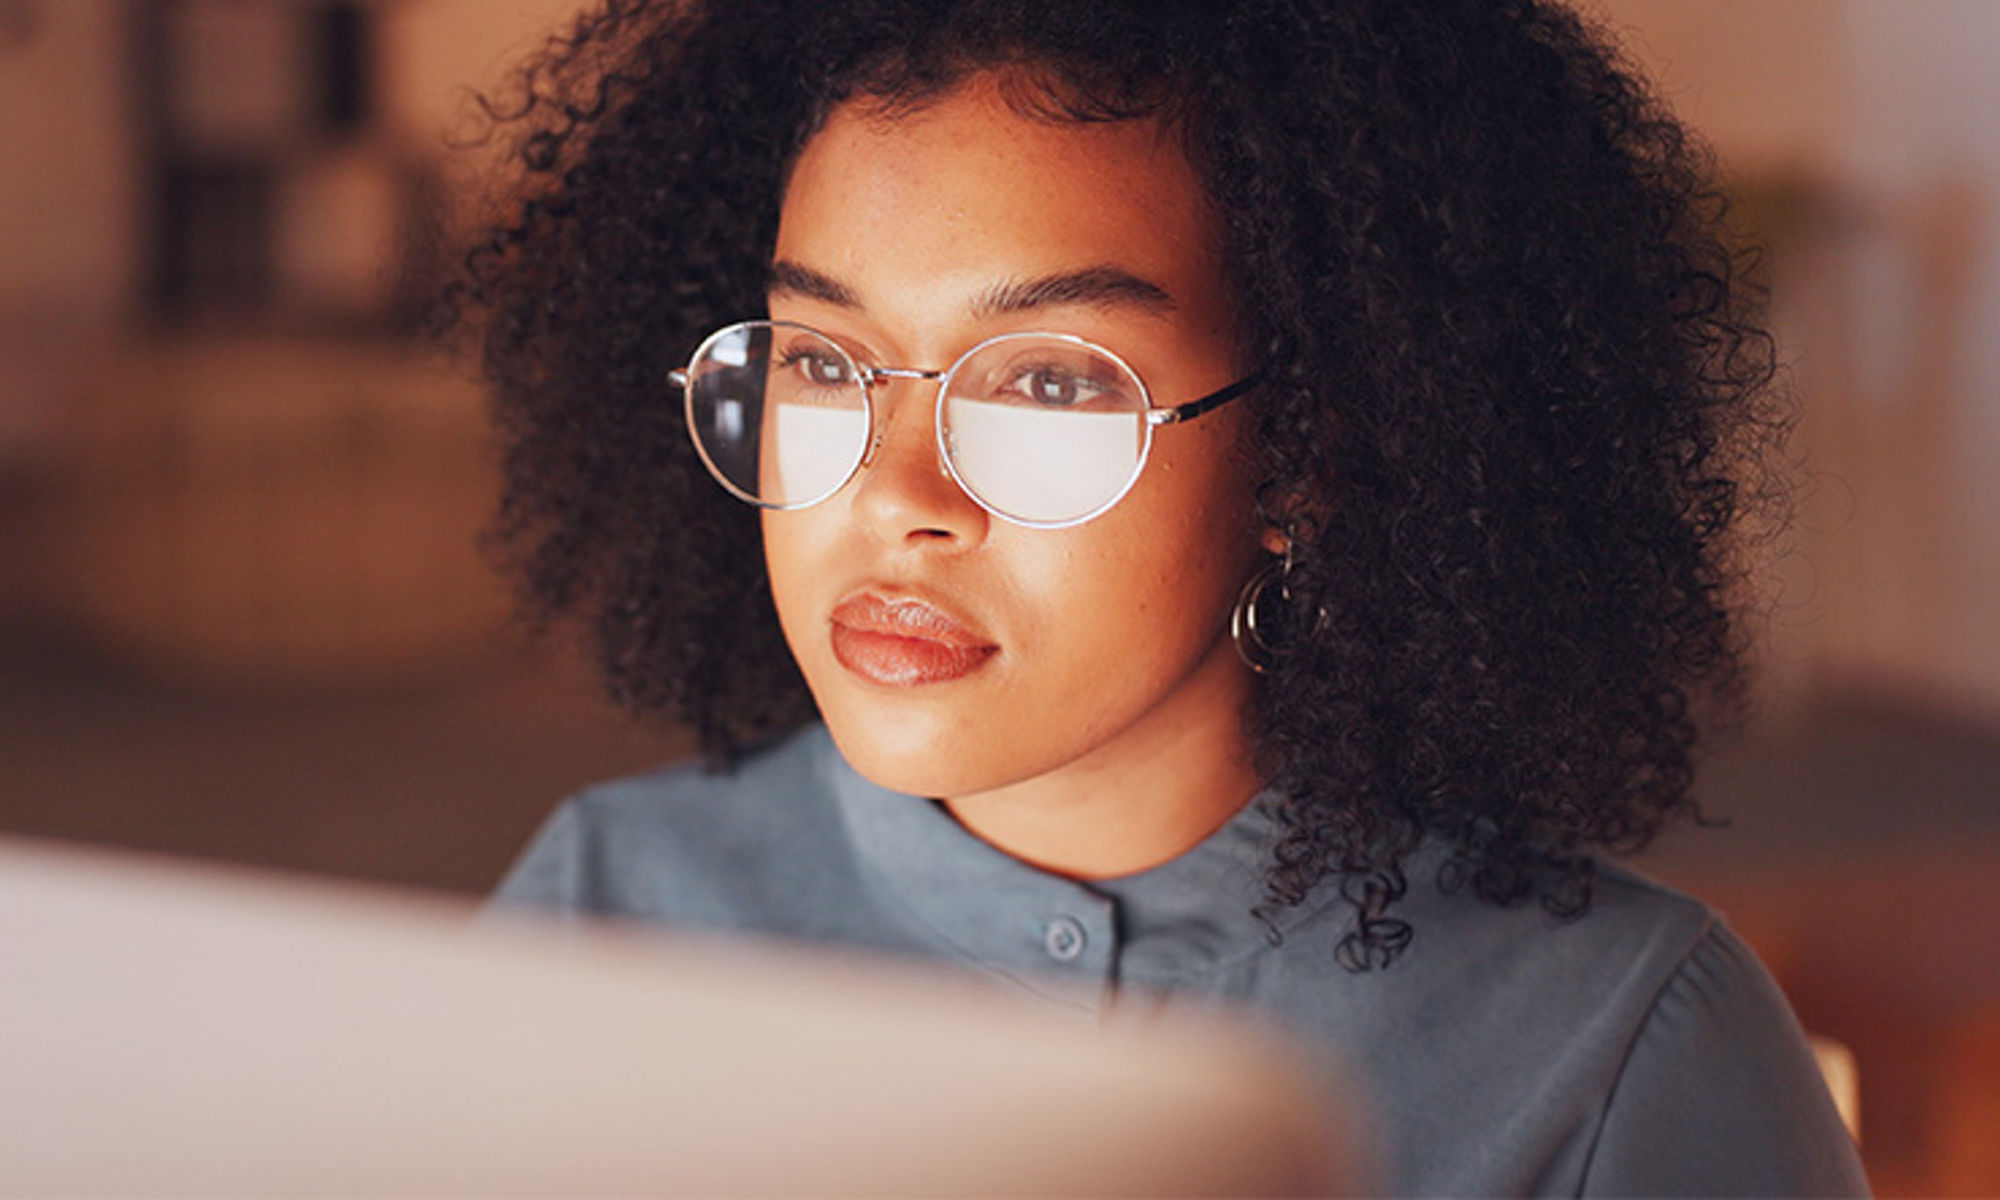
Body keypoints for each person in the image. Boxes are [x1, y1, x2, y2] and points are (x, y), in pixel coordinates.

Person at [457, 0, 1869, 1192]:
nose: (894, 498)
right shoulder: (604, 914)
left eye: (1051, 382)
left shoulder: (1616, 1052)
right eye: (823, 361)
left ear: (1310, 453)